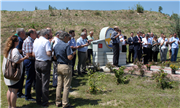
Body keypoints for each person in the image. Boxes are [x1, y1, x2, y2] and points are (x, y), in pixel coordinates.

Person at [2, 35, 29, 108]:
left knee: (10, 90)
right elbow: (16, 61)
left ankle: (9, 105)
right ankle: (13, 106)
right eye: (17, 41)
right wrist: (25, 58)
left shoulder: (7, 50)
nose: (18, 42)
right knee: (14, 91)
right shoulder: (15, 50)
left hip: (8, 73)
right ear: (15, 42)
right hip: (14, 73)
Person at [54, 31, 76, 108]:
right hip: (66, 66)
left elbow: (54, 57)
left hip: (59, 65)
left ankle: (58, 102)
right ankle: (65, 103)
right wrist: (73, 54)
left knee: (59, 85)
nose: (69, 38)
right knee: (66, 86)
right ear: (65, 37)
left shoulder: (56, 45)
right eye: (68, 37)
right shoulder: (66, 46)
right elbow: (69, 57)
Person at [32, 29, 52, 107]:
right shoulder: (46, 41)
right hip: (44, 62)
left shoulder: (35, 41)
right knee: (45, 82)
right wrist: (51, 51)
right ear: (46, 35)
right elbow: (48, 53)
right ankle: (45, 101)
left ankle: (38, 99)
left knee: (38, 82)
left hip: (37, 62)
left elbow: (33, 54)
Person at [22, 29, 37, 101]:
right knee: (29, 79)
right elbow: (28, 54)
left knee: (31, 78)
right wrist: (38, 55)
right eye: (35, 33)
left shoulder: (31, 40)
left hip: (31, 60)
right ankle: (27, 96)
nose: (36, 34)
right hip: (29, 61)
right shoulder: (28, 41)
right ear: (31, 34)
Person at [15, 28, 26, 98]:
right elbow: (18, 50)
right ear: (21, 33)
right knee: (20, 77)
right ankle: (19, 93)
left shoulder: (17, 39)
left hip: (18, 60)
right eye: (24, 32)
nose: (25, 33)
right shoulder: (20, 39)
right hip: (20, 60)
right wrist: (24, 51)